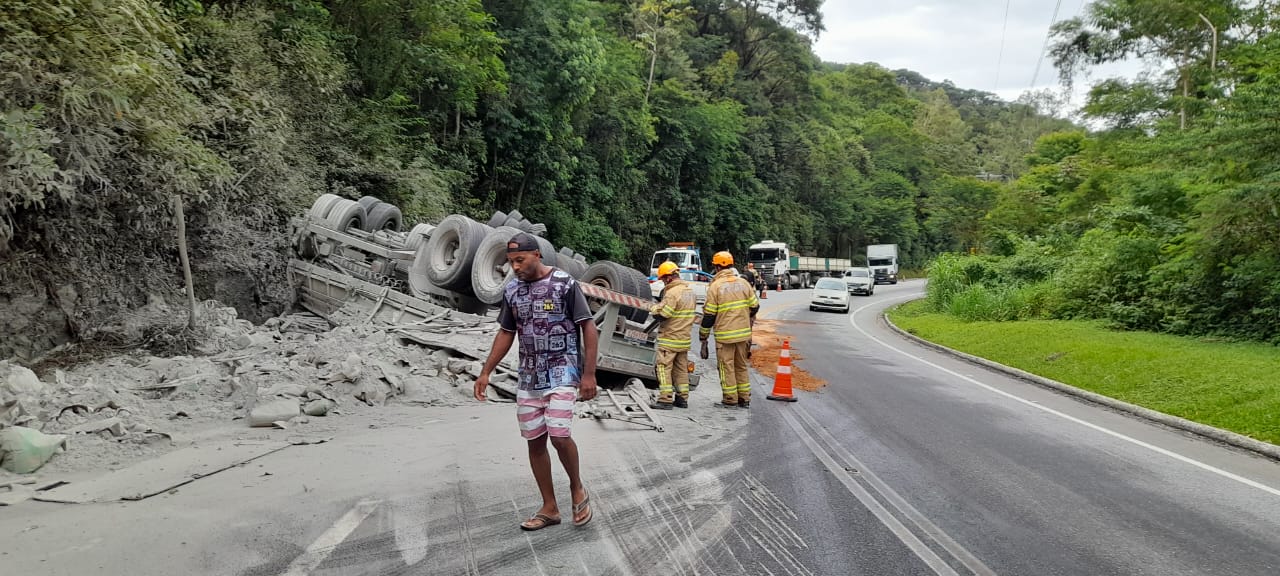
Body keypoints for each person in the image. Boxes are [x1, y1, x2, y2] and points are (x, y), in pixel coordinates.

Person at [474, 232, 598, 531]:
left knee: (558, 434)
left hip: (562, 371)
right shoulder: (513, 291)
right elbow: (506, 332)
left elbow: (588, 327)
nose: (515, 267)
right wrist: (486, 370)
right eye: (511, 262)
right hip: (529, 377)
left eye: (520, 260)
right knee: (535, 440)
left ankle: (577, 487)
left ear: (536, 255)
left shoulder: (564, 284)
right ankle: (550, 507)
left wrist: (589, 374)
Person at [699, 251, 760, 408]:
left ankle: (730, 399)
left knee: (727, 367)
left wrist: (703, 336)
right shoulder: (744, 283)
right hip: (743, 334)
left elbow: (709, 315)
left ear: (718, 267)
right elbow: (755, 306)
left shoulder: (716, 287)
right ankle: (744, 399)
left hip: (725, 336)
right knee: (740, 365)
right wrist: (744, 319)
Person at [649, 261, 697, 409]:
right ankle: (682, 399)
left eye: (663, 279)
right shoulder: (690, 291)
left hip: (670, 338)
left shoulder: (672, 293)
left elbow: (665, 314)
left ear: (669, 277)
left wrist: (654, 309)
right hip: (683, 338)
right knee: (681, 370)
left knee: (663, 368)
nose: (663, 282)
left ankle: (665, 399)